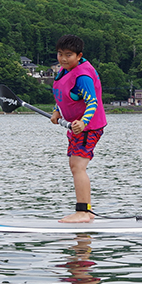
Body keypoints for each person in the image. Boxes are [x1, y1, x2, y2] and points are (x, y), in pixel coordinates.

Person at [50, 34, 107, 223]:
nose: (63, 59)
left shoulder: (83, 76)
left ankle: (83, 212)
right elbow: (67, 97)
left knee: (78, 167)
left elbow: (93, 102)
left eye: (68, 55)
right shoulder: (65, 71)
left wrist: (83, 122)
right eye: (60, 54)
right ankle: (86, 211)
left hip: (87, 128)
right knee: (75, 166)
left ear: (79, 55)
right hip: (76, 127)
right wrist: (57, 111)